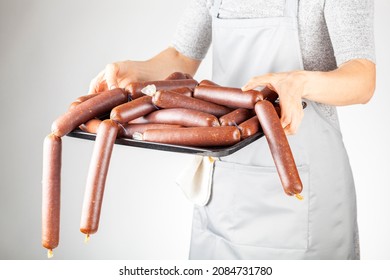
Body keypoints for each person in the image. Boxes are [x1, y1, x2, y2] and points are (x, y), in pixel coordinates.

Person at [88, 0, 376, 259]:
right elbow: (180, 56)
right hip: (228, 184)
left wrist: (299, 82)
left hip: (305, 194)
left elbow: (362, 77)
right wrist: (135, 70)